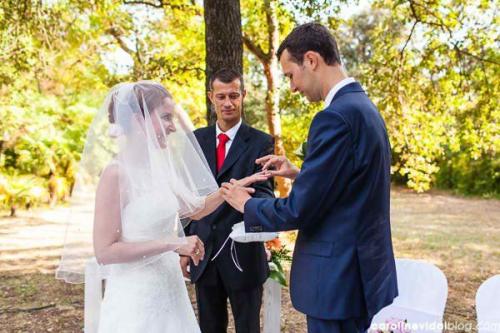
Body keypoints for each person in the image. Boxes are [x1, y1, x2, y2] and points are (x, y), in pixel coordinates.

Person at [221, 23, 398, 333]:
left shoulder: (334, 117)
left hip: (337, 281)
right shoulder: (364, 108)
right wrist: (300, 173)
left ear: (312, 60)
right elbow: (351, 188)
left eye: (291, 75)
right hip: (361, 274)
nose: (292, 86)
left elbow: (299, 210)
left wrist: (245, 204)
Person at [56, 81, 266, 332]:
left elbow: (196, 208)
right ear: (137, 119)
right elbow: (105, 251)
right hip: (136, 296)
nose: (172, 127)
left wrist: (228, 189)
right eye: (166, 118)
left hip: (170, 291)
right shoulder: (116, 174)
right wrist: (173, 245)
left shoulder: (161, 168)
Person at [180, 68, 274, 333]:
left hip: (242, 255)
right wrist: (185, 245)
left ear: (243, 95)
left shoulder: (261, 142)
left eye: (234, 95)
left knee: (248, 328)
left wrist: (238, 196)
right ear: (211, 97)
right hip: (203, 254)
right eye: (221, 97)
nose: (228, 103)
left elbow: (265, 194)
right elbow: (186, 198)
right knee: (209, 328)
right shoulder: (195, 141)